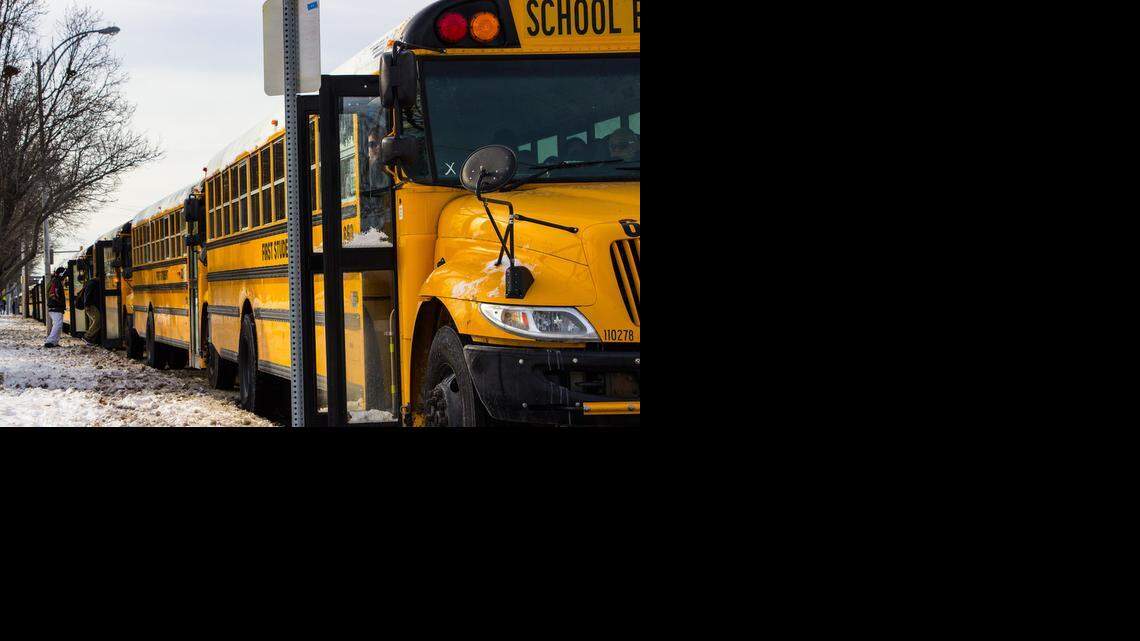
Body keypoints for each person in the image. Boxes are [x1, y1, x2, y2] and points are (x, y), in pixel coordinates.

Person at [44, 268, 67, 348]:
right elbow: (53, 294)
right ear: (61, 274)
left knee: (58, 324)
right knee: (58, 324)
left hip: (54, 306)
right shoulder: (56, 282)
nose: (65, 278)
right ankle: (50, 341)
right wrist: (60, 303)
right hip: (55, 306)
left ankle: (55, 342)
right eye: (64, 275)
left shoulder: (54, 281)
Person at [81, 276, 102, 344]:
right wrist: (87, 305)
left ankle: (91, 339)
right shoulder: (93, 283)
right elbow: (88, 295)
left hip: (92, 305)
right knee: (98, 320)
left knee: (92, 322)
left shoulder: (93, 282)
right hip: (91, 306)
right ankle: (87, 336)